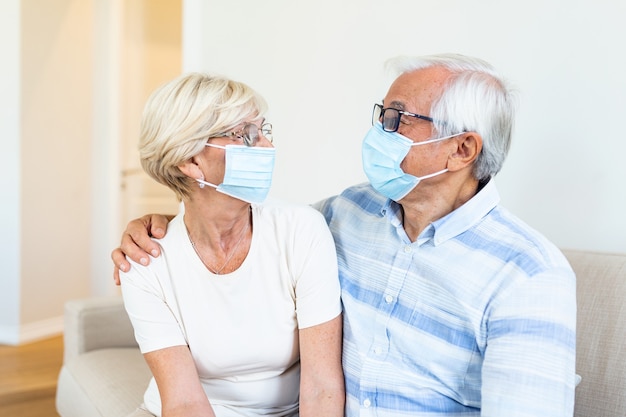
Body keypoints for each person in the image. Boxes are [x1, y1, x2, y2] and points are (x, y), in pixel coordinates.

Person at [113, 54, 577, 416]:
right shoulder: (348, 213)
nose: (378, 132)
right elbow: (243, 226)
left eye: (396, 120)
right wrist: (159, 223)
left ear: (461, 149)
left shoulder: (529, 275)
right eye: (380, 116)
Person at [115, 73, 344, 417]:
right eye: (246, 136)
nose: (267, 147)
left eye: (263, 131)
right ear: (190, 160)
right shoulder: (146, 261)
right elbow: (184, 401)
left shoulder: (301, 230)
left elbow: (322, 388)